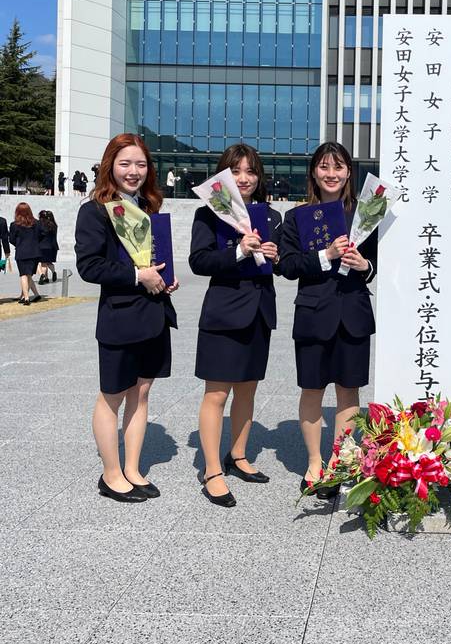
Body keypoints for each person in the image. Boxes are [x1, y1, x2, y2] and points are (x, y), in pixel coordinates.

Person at [75, 133, 179, 504]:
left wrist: (165, 278)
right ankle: (111, 473)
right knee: (112, 396)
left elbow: (156, 259)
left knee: (142, 392)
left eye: (140, 164)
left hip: (153, 314)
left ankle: (132, 468)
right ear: (110, 166)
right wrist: (138, 276)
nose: (133, 171)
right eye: (125, 163)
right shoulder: (96, 211)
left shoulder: (148, 210)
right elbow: (88, 266)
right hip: (119, 317)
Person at [279, 141, 377, 498]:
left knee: (349, 390)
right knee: (312, 389)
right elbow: (286, 265)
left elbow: (378, 264)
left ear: (349, 172)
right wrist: (325, 255)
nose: (331, 174)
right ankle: (314, 462)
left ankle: (340, 462)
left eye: (338, 167)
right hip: (313, 314)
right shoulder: (297, 217)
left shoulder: (366, 215)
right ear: (314, 173)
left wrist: (364, 266)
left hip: (353, 313)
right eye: (324, 167)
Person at [189, 144, 281, 507]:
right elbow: (199, 261)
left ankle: (238, 455)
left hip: (259, 312)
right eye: (236, 171)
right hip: (224, 314)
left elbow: (282, 262)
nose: (243, 178)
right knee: (216, 394)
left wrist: (275, 256)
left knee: (247, 391)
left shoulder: (271, 216)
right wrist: (240, 250)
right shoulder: (207, 214)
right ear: (223, 175)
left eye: (250, 171)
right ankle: (212, 471)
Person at [9, 203, 43, 306]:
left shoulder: (14, 225)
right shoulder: (37, 223)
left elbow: (12, 239)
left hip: (22, 252)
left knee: (23, 275)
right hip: (34, 252)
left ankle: (26, 297)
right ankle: (33, 295)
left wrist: (19, 244)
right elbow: (41, 235)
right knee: (28, 275)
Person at [37, 210, 59, 284]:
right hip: (53, 246)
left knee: (43, 263)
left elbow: (39, 235)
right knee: (49, 262)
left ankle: (42, 276)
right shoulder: (54, 225)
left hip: (43, 246)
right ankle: (53, 272)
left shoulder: (41, 225)